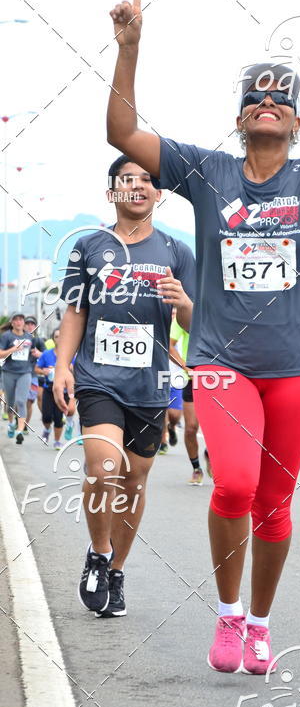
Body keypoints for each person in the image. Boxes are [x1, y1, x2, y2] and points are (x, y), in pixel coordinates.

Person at [106, 0, 300, 672]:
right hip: (220, 362)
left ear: (296, 121)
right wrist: (129, 48)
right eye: (254, 96)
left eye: (280, 97)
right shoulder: (204, 172)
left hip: (298, 367)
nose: (266, 102)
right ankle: (228, 613)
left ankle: (262, 623)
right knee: (234, 486)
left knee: (274, 504)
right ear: (239, 118)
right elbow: (123, 136)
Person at [53, 155, 195, 618]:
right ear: (112, 191)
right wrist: (62, 366)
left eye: (146, 180)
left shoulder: (177, 252)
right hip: (98, 380)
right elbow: (75, 312)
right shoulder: (89, 248)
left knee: (134, 480)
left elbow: (197, 321)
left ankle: (116, 570)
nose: (137, 186)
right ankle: (97, 552)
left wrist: (184, 301)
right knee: (103, 462)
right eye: (125, 179)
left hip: (150, 385)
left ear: (159, 193)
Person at [170, 315, 206, 485]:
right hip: (192, 380)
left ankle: (210, 455)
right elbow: (169, 345)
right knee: (191, 428)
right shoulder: (184, 315)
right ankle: (196, 468)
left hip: (219, 378)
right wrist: (186, 366)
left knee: (217, 427)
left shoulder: (218, 311)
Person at [0, 312, 42, 444]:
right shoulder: (6, 336)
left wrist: (37, 354)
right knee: (10, 402)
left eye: (21, 320)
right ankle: (11, 424)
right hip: (9, 372)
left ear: (23, 323)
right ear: (12, 322)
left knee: (21, 401)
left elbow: (36, 352)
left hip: (25, 373)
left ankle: (19, 431)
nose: (19, 322)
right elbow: (1, 354)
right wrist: (13, 349)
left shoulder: (30, 337)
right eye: (16, 320)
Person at [36, 329, 71, 448]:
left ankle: (57, 441)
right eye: (56, 336)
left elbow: (76, 371)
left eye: (61, 336)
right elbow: (36, 369)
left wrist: (70, 368)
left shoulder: (70, 354)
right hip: (49, 389)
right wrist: (44, 371)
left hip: (63, 390)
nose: (59, 339)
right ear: (53, 339)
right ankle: (47, 430)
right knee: (46, 416)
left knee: (58, 417)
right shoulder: (46, 354)